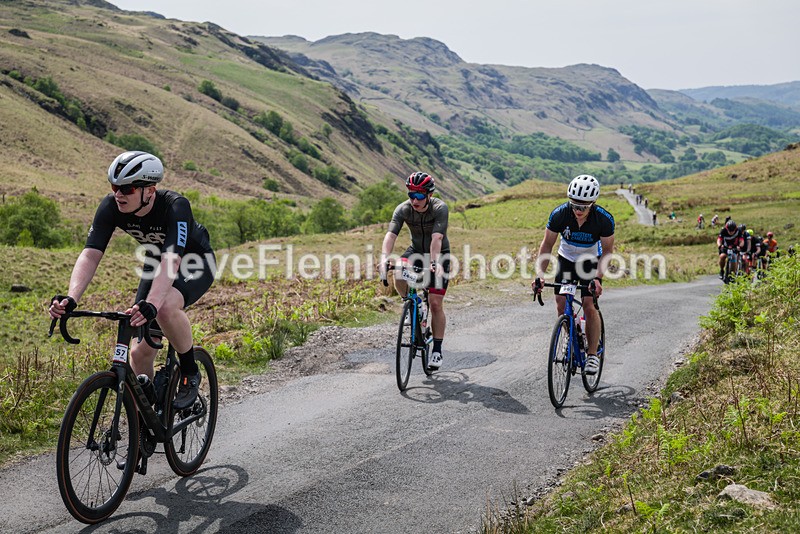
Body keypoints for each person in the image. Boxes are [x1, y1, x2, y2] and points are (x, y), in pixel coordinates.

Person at [49, 151, 215, 410]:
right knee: (138, 353)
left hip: (194, 261)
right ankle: (148, 418)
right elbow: (90, 255)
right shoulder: (110, 207)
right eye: (115, 187)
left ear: (150, 190)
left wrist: (152, 303)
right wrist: (72, 297)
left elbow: (172, 260)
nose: (119, 194)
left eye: (127, 188)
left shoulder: (175, 206)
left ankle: (189, 371)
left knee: (165, 307)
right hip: (156, 263)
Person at [532, 174, 615, 375]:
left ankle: (593, 355)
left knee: (588, 305)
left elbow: (607, 252)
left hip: (590, 262)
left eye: (583, 207)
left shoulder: (604, 219)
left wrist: (598, 278)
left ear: (592, 204)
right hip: (566, 260)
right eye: (575, 205)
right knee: (561, 303)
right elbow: (547, 245)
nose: (578, 211)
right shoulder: (560, 214)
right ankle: (572, 333)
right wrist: (540, 275)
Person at [379, 172, 450, 369]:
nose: (414, 200)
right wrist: (384, 258)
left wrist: (434, 263)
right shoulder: (403, 209)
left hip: (439, 254)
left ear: (429, 195)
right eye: (411, 194)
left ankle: (436, 350)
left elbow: (437, 239)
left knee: (435, 304)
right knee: (398, 271)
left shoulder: (439, 208)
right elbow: (390, 235)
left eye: (419, 196)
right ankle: (413, 303)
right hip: (416, 251)